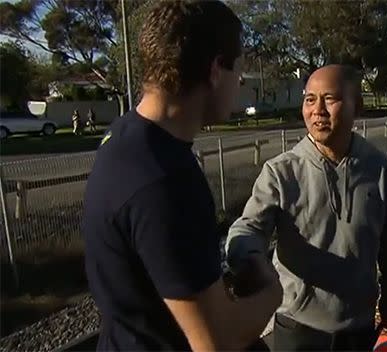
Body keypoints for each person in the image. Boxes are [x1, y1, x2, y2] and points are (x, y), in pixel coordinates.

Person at [81, 1, 282, 351]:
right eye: (239, 72)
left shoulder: (124, 137)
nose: (239, 86)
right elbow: (216, 341)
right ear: (216, 69)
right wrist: (272, 292)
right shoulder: (165, 181)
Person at [225, 64, 387, 351]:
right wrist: (248, 256)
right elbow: (249, 227)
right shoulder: (280, 172)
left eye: (330, 99)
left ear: (356, 106)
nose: (317, 110)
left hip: (358, 330)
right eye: (310, 99)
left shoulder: (383, 171)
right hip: (298, 330)